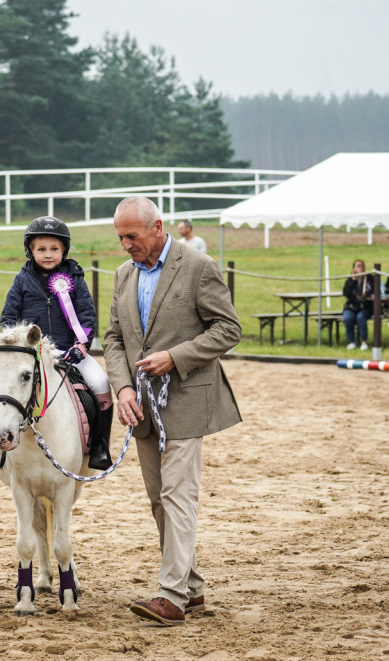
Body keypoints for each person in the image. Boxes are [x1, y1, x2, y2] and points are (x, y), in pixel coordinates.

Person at [102, 196, 241, 626]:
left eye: (133, 235)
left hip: (186, 401)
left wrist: (176, 357)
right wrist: (123, 388)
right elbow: (112, 338)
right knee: (159, 502)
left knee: (178, 497)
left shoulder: (198, 266)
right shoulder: (123, 275)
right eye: (120, 237)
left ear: (158, 227)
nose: (126, 244)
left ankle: (172, 596)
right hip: (141, 408)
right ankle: (193, 586)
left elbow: (229, 329)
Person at [0, 216, 113, 470]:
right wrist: (15, 343)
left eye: (54, 249)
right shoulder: (22, 280)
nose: (48, 255)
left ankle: (100, 444)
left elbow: (87, 315)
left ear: (64, 251)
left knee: (101, 382)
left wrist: (81, 346)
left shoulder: (76, 279)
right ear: (31, 251)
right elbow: (8, 317)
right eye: (41, 249)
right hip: (30, 352)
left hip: (69, 351)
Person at [342, 259, 373, 351]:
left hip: (365, 306)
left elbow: (375, 291)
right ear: (354, 269)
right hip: (351, 306)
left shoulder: (369, 279)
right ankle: (351, 341)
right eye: (358, 266)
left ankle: (364, 341)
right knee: (348, 317)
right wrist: (353, 280)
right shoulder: (350, 280)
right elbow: (346, 293)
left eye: (362, 265)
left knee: (360, 317)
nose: (361, 268)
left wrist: (366, 294)